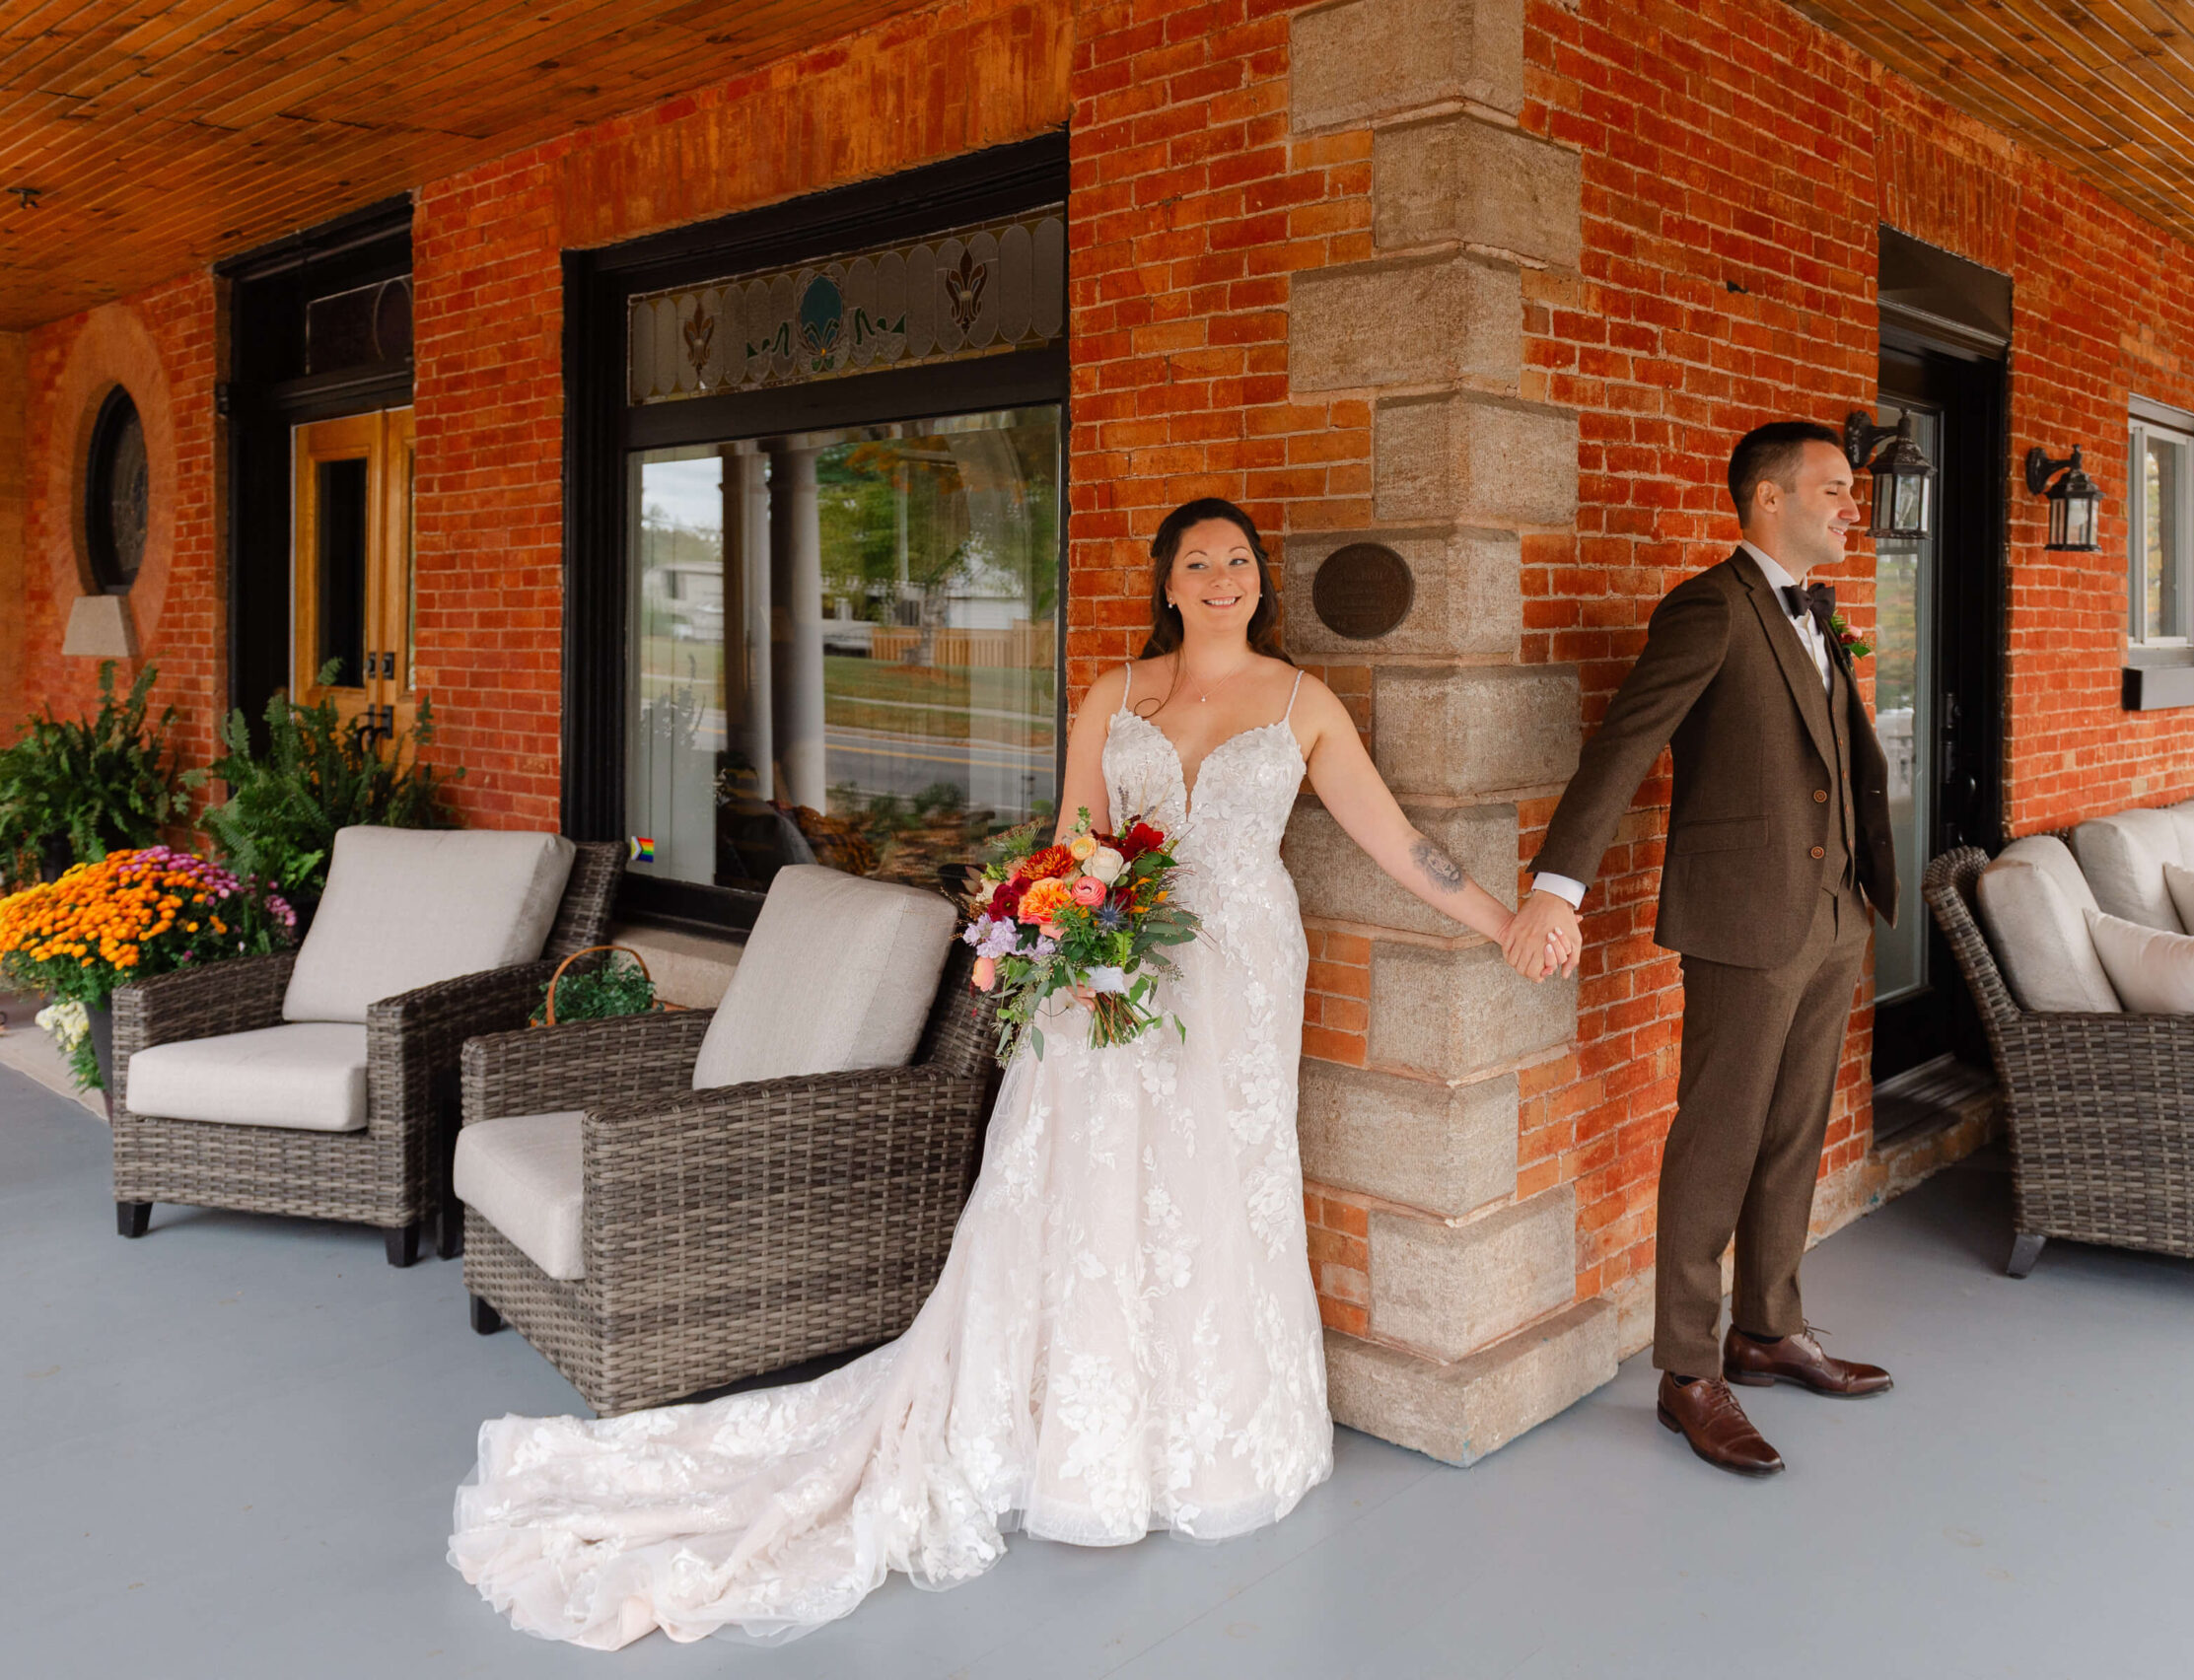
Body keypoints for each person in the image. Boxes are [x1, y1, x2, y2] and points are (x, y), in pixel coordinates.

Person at [448, 496, 1562, 1647]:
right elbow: (1074, 843)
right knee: (1087, 1184)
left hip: (1238, 980)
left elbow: (1398, 843)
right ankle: (1075, 1434)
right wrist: (1059, 943)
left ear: (1257, 581)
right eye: (1198, 561)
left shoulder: (1300, 703)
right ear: (1168, 582)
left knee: (1212, 1189)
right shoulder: (1115, 693)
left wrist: (1505, 920)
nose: (1221, 576)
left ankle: (1196, 1439)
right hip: (1105, 968)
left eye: (1238, 560)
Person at [1500, 421, 1900, 1477]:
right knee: (1718, 1138)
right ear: (1769, 498)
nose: (1850, 507)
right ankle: (1686, 1371)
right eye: (1832, 489)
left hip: (1833, 915)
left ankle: (1766, 1330)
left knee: (1794, 1132)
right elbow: (1625, 742)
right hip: (1744, 920)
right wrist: (1556, 887)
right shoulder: (1709, 608)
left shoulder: (1817, 612)